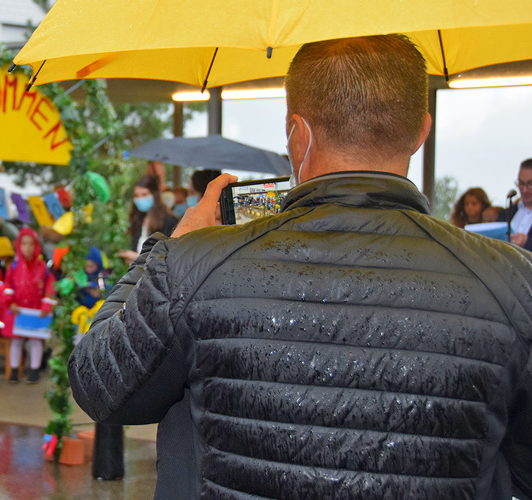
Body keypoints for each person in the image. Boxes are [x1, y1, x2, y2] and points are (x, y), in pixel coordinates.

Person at [69, 35, 532, 499]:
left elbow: (100, 387)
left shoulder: (196, 267)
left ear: (297, 133)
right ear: (421, 130)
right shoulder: (514, 283)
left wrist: (168, 250)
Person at [1, 228, 55, 384]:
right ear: (19, 245)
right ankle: (14, 371)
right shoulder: (13, 266)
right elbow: (8, 286)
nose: (28, 247)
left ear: (36, 245)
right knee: (16, 341)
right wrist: (10, 303)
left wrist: (46, 306)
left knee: (35, 340)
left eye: (31, 244)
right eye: (24, 244)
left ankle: (34, 370)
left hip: (35, 312)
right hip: (18, 311)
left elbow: (49, 287)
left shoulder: (42, 267)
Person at [117, 175, 178, 264]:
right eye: (136, 195)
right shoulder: (138, 219)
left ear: (155, 194)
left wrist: (137, 258)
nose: (140, 199)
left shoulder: (169, 221)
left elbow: (169, 257)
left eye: (144, 194)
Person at [497, 158, 532, 250]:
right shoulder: (505, 214)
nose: (524, 190)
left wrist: (527, 242)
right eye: (521, 183)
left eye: (530, 184)